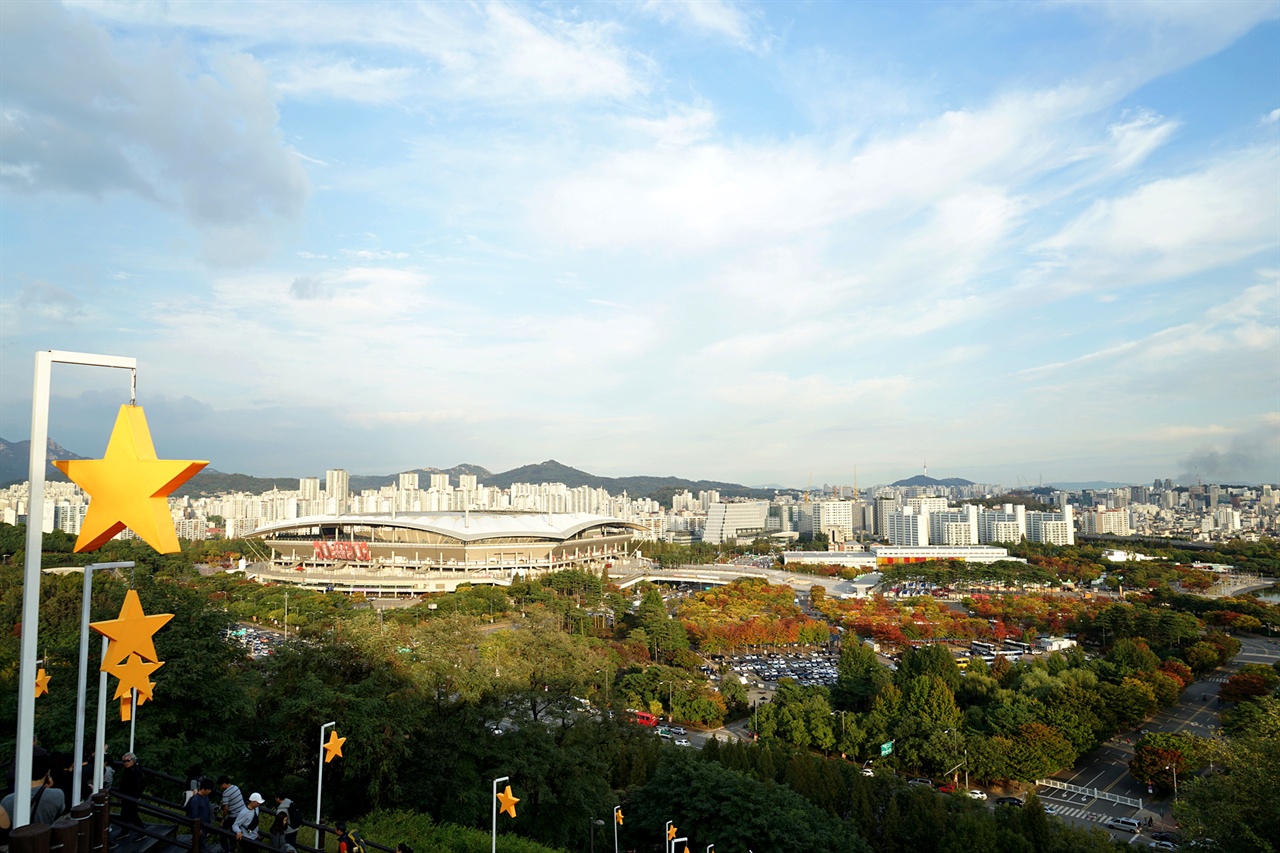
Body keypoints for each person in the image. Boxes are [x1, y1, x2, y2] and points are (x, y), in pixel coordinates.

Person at [0, 753, 67, 835]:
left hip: (18, 845)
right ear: (48, 773)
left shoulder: (7, 801)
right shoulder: (57, 795)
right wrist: (46, 789)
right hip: (44, 842)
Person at [117, 753, 146, 839]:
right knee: (125, 814)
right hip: (126, 796)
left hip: (131, 797)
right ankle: (125, 831)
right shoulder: (128, 770)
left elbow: (140, 784)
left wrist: (136, 796)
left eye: (128, 761)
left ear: (133, 760)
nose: (126, 763)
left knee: (133, 815)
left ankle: (141, 833)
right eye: (124, 761)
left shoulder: (135, 771)